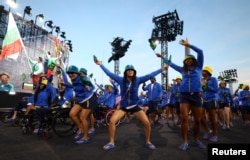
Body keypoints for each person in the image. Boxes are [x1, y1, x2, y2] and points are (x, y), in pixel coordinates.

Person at [94, 56, 168, 150]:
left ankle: (148, 141)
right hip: (124, 106)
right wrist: (101, 64)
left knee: (147, 123)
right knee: (112, 121)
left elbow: (150, 75)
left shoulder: (138, 80)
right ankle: (111, 142)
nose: (130, 71)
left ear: (134, 72)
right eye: (128, 70)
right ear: (125, 72)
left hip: (134, 105)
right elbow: (109, 73)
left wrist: (162, 69)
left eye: (132, 70)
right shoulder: (121, 80)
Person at [157, 39, 205, 151]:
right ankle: (185, 141)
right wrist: (162, 57)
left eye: (190, 59)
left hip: (196, 96)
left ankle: (196, 139)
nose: (188, 61)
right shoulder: (182, 70)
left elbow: (201, 52)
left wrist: (189, 45)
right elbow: (171, 63)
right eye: (186, 60)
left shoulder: (198, 67)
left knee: (197, 120)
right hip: (184, 96)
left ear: (193, 60)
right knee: (184, 119)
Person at [66, 65, 97, 144]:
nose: (70, 75)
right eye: (69, 73)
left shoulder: (83, 78)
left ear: (77, 73)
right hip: (81, 100)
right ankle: (80, 129)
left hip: (89, 99)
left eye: (72, 73)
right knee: (72, 114)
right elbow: (71, 86)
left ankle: (85, 137)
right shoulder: (73, 80)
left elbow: (92, 87)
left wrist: (88, 87)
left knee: (83, 118)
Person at [200, 66, 219, 142]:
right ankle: (208, 130)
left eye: (203, 71)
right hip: (202, 100)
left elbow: (216, 90)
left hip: (212, 99)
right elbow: (200, 90)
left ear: (208, 72)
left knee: (212, 118)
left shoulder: (213, 79)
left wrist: (206, 85)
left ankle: (214, 135)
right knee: (200, 117)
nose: (202, 72)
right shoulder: (201, 80)